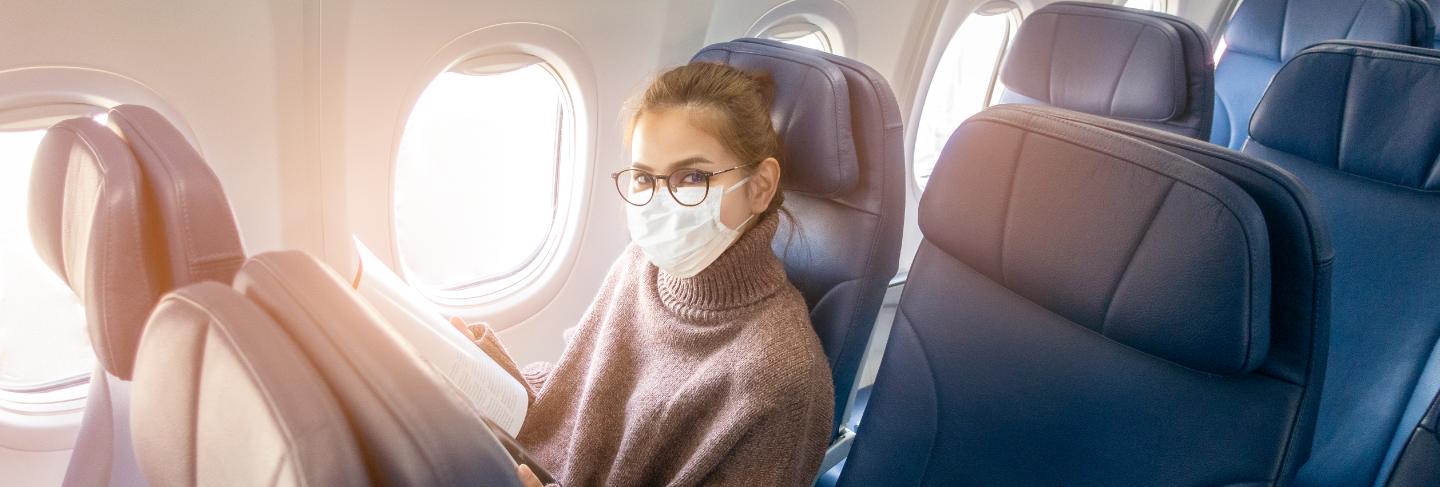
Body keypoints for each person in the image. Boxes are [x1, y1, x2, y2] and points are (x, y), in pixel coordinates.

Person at [455, 61, 834, 486]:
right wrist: (476, 368)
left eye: (691, 176)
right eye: (643, 178)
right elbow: (575, 398)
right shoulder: (639, 265)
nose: (659, 202)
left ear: (760, 186)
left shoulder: (782, 376)